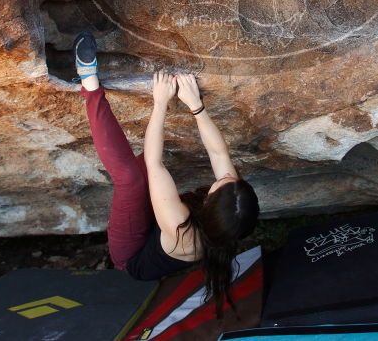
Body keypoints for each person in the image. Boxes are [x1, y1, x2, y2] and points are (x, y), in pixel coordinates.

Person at [73, 31, 260, 315]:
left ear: (210, 203)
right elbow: (219, 154)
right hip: (161, 231)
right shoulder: (231, 216)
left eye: (222, 182)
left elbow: (154, 162)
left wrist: (160, 102)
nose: (225, 176)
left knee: (130, 178)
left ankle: (88, 82)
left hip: (132, 254)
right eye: (231, 179)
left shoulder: (180, 228)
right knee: (141, 172)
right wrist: (196, 106)